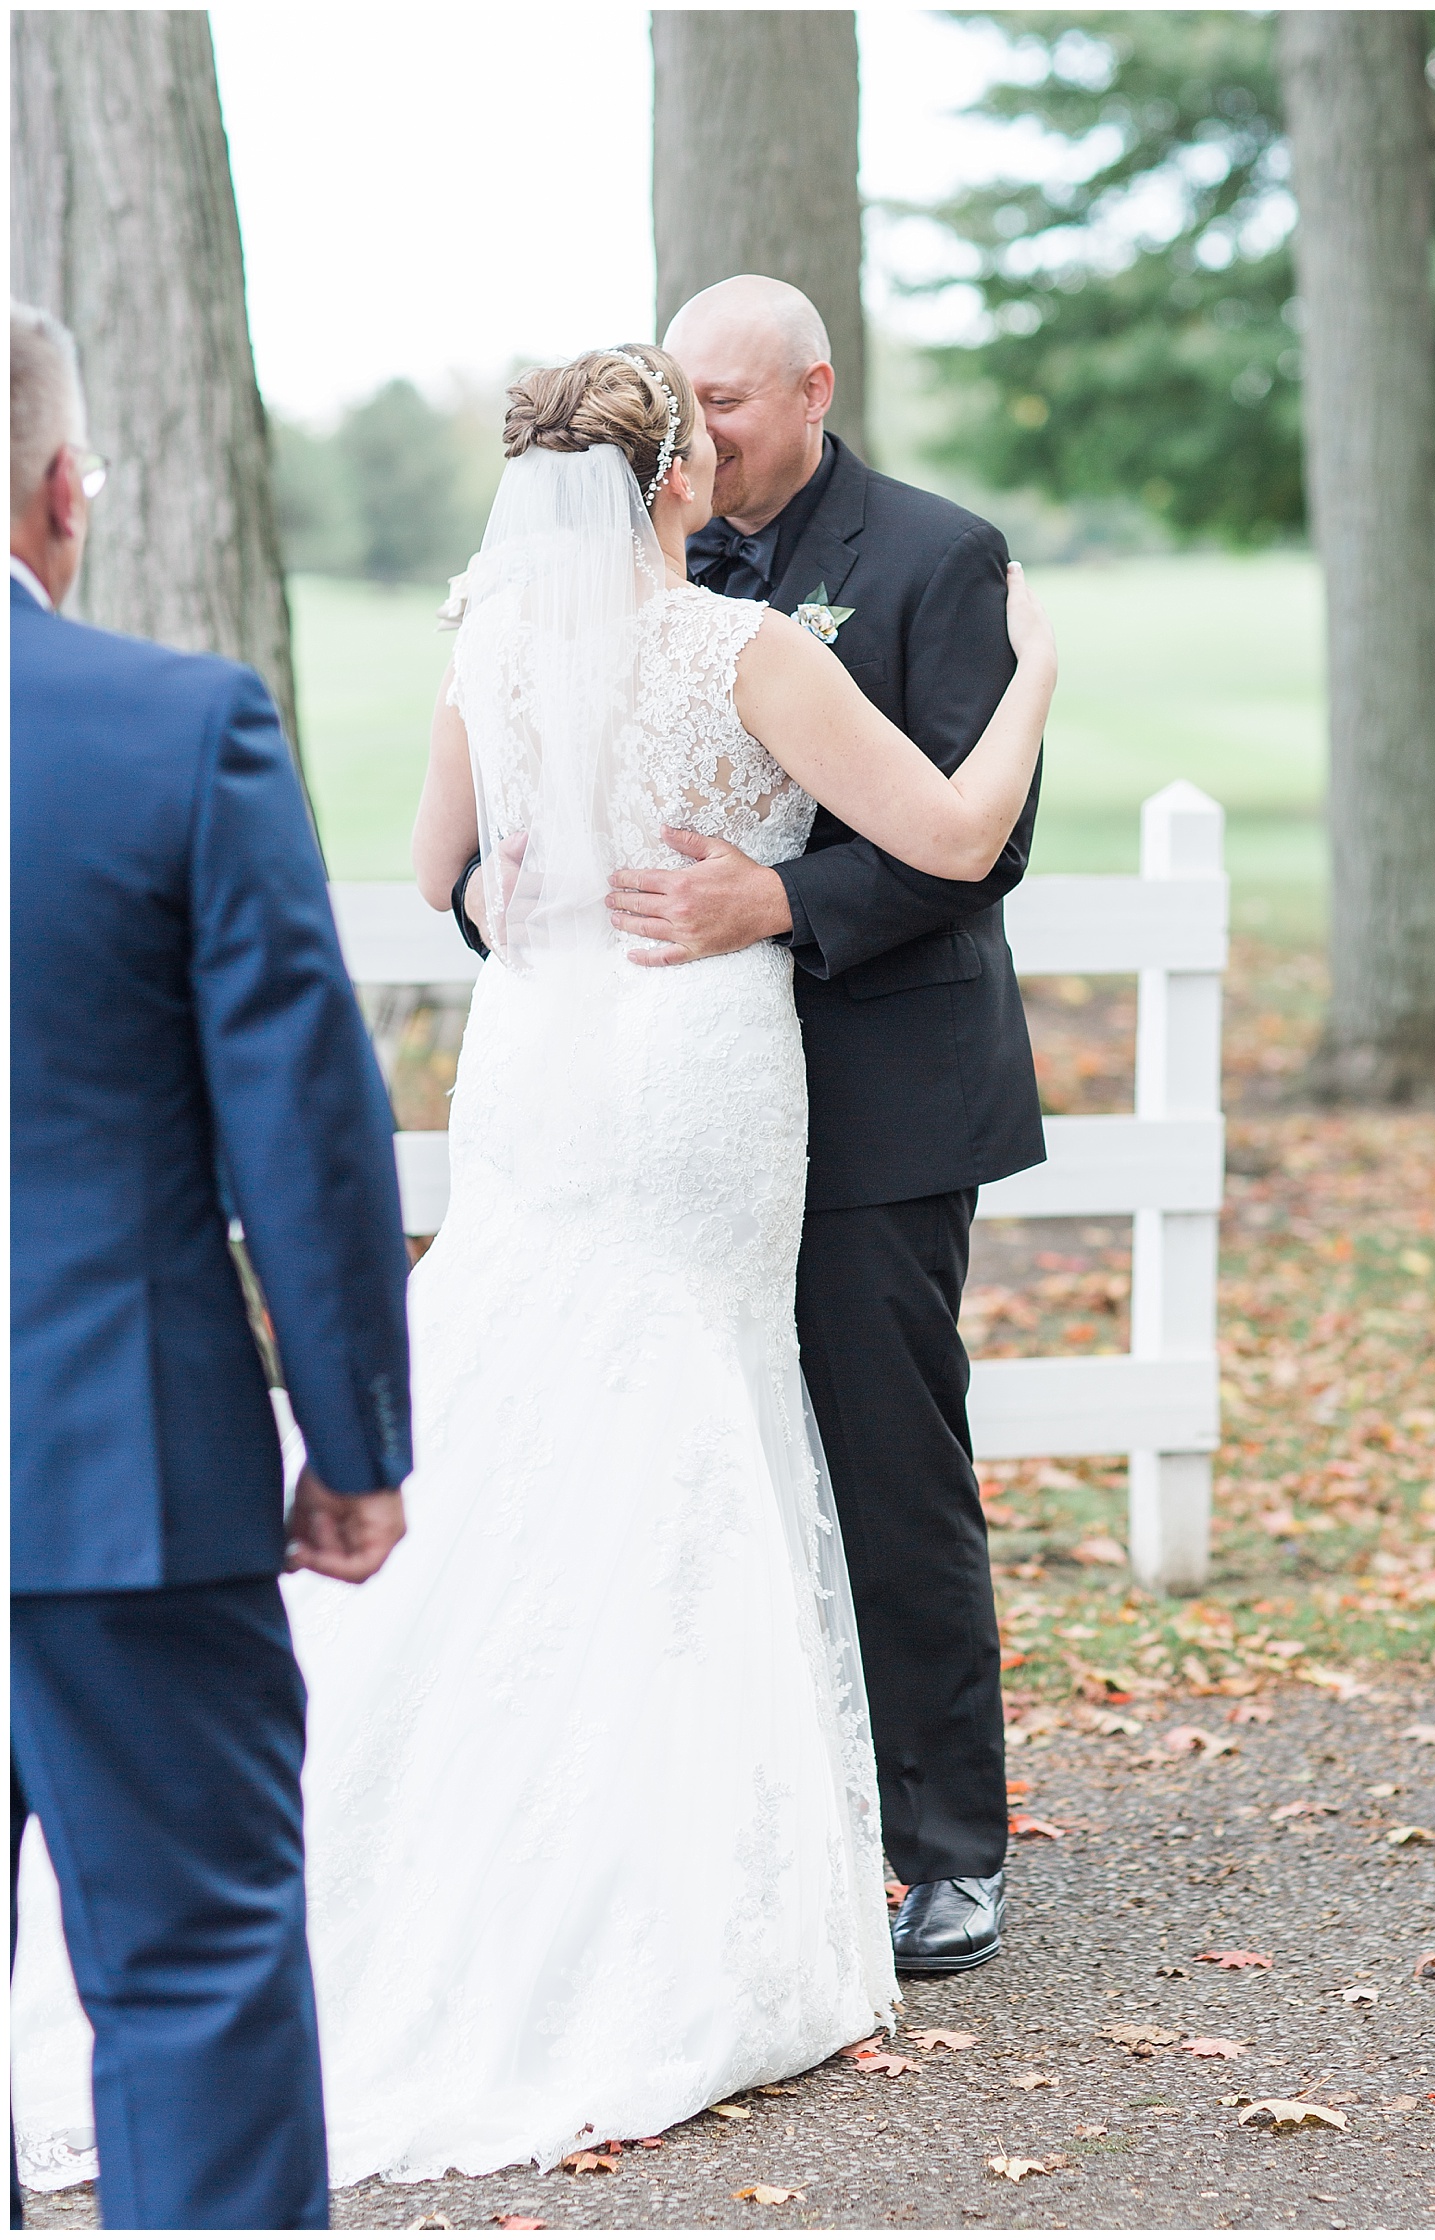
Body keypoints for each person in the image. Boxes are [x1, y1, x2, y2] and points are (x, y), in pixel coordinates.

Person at [16, 343, 1055, 2192]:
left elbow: (442, 872)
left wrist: (548, 901)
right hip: (687, 1070)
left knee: (533, 1390)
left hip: (543, 1069)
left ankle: (436, 1822)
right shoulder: (750, 652)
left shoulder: (487, 644)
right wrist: (1034, 672)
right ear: (672, 482)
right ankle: (653, 1897)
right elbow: (959, 833)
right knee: (681, 1412)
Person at [9, 299, 413, 2230]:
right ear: (61, 489)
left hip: (112, 1482)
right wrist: (355, 1439)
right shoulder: (175, 731)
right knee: (188, 1978)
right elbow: (301, 1122)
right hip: (112, 1476)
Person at [601, 276, 1046, 1975]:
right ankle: (776, 1806)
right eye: (680, 405)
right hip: (690, 1103)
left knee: (888, 1455)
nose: (698, 434)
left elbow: (974, 849)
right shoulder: (645, 569)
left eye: (727, 402)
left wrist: (773, 905)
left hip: (880, 1092)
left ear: (813, 386)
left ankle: (950, 1844)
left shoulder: (941, 556)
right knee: (706, 1446)